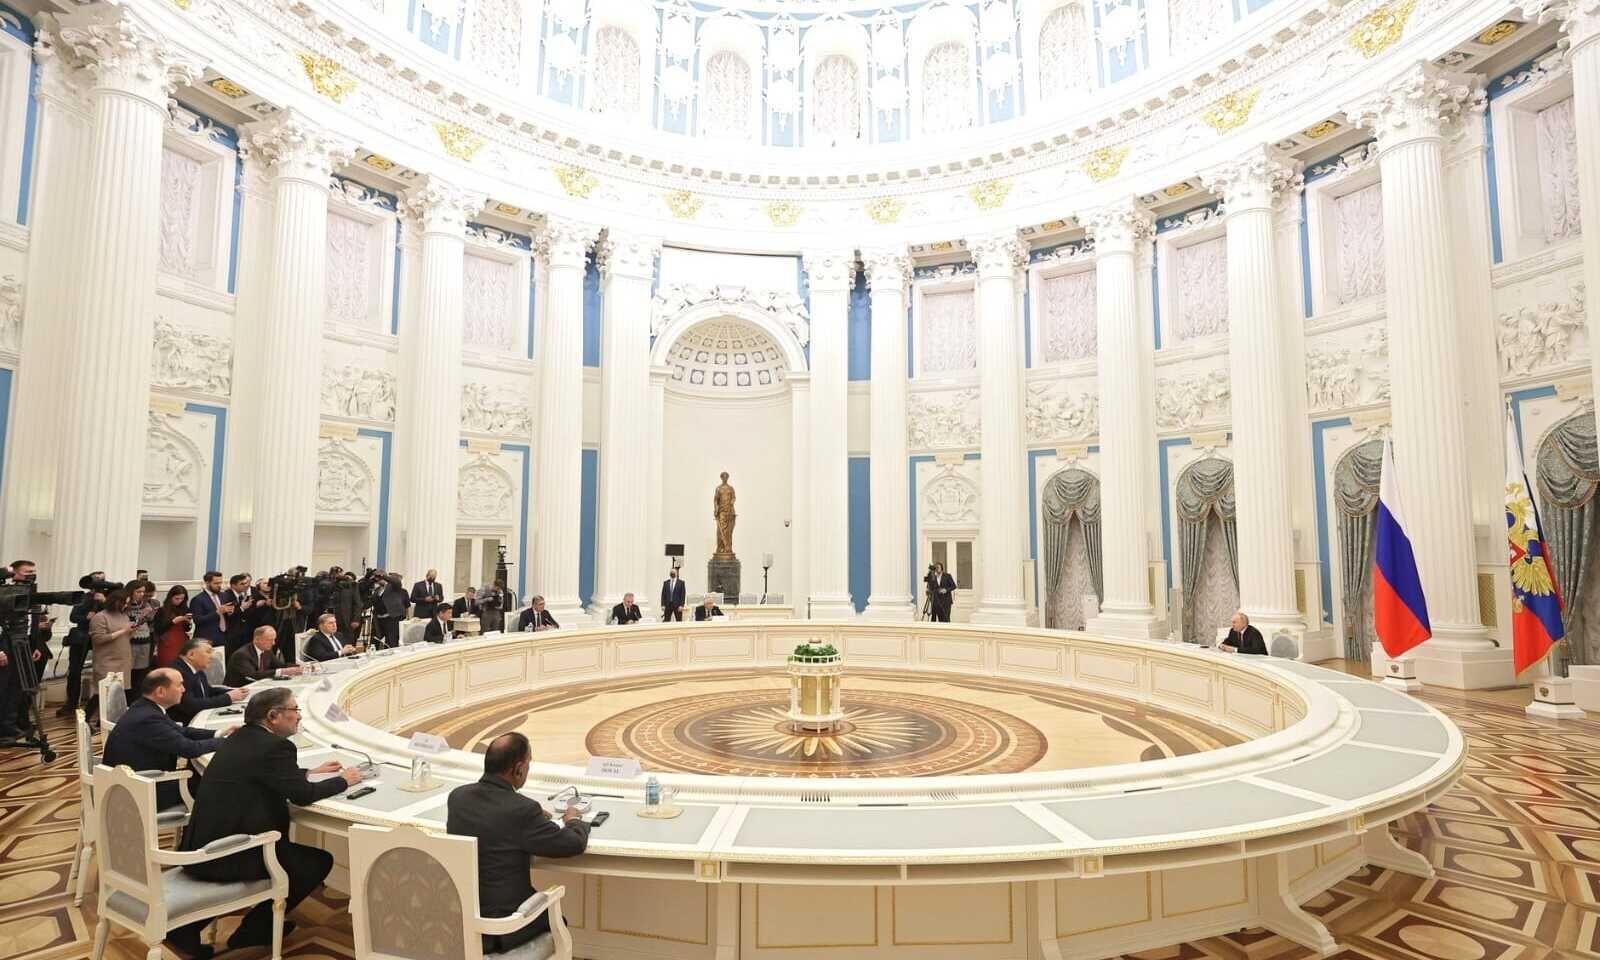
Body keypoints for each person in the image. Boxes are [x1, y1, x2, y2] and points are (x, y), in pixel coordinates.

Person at [173, 687, 362, 957]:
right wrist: (344, 781)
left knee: (300, 859)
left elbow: (262, 770)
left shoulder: (240, 738)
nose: (299, 716)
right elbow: (302, 796)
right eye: (294, 710)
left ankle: (192, 930)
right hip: (231, 852)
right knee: (316, 863)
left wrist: (309, 772)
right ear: (273, 716)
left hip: (202, 843)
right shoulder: (277, 747)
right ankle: (254, 930)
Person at [446, 732, 589, 954]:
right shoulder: (523, 811)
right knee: (557, 919)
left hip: (461, 922)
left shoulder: (458, 798)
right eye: (528, 763)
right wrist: (573, 820)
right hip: (502, 928)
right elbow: (572, 843)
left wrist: (534, 819)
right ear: (519, 769)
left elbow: (494, 821)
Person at [102, 668, 230, 809]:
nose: (183, 690)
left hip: (140, 780)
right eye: (179, 685)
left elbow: (182, 731)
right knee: (221, 782)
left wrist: (219, 733)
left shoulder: (146, 707)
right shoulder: (148, 719)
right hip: (140, 791)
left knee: (210, 774)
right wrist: (229, 741)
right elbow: (189, 749)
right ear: (161, 691)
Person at [54, 575, 104, 718]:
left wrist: (104, 602)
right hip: (82, 637)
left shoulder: (110, 597)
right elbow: (73, 617)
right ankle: (71, 704)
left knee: (104, 671)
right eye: (97, 579)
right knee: (74, 672)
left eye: (102, 579)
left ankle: (99, 706)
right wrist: (86, 618)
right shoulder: (84, 598)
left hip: (102, 637)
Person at [170, 640, 246, 724]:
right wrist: (227, 697)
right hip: (185, 723)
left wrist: (232, 691)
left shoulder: (196, 668)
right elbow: (191, 706)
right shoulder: (177, 673)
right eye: (208, 652)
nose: (212, 656)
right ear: (191, 655)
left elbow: (207, 691)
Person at [89, 590, 135, 706]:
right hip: (107, 661)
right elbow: (98, 639)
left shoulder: (124, 616)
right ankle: (86, 716)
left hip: (123, 660)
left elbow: (126, 637)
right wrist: (123, 631)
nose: (126, 605)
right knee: (101, 694)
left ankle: (108, 719)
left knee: (118, 695)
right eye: (124, 603)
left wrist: (132, 630)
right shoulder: (100, 617)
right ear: (116, 602)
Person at [225, 626, 302, 686]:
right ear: (257, 639)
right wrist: (281, 671)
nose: (273, 643)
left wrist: (300, 667)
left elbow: (281, 665)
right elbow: (252, 676)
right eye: (270, 640)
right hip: (238, 689)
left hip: (258, 686)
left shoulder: (267, 651)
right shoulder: (242, 655)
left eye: (274, 639)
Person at [126, 580, 159, 693]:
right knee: (130, 672)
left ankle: (139, 695)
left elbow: (150, 621)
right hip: (131, 641)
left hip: (145, 640)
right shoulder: (126, 605)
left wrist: (149, 615)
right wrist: (142, 616)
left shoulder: (146, 604)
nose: (142, 594)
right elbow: (130, 624)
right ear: (131, 591)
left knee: (142, 672)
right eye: (138, 592)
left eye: (143, 592)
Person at [152, 584, 194, 670]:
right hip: (167, 642)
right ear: (170, 597)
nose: (179, 601)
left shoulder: (185, 609)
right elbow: (158, 629)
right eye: (177, 598)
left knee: (182, 666)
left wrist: (188, 622)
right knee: (168, 665)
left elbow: (187, 629)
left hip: (182, 640)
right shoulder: (162, 610)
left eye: (182, 599)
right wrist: (173, 622)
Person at [190, 571, 230, 646]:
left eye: (220, 583)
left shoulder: (224, 596)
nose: (219, 585)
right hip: (206, 639)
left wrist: (230, 612)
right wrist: (217, 613)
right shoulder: (198, 599)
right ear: (207, 583)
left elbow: (226, 617)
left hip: (223, 637)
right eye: (216, 583)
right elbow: (197, 620)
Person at [372, 572, 409, 648]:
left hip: (391, 619)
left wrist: (383, 576)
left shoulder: (394, 588)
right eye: (378, 579)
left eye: (381, 578)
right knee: (375, 640)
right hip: (378, 619)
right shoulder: (377, 590)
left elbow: (397, 582)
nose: (379, 580)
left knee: (391, 642)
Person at [223, 574, 256, 656]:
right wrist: (241, 608)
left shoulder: (244, 596)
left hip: (243, 633)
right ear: (233, 585)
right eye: (242, 584)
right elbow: (228, 615)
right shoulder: (226, 596)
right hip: (231, 633)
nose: (245, 585)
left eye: (245, 583)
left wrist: (249, 607)